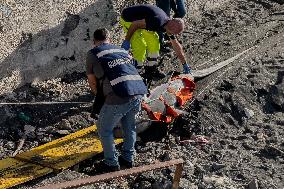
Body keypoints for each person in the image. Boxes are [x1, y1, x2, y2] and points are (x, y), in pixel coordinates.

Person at [86, 28, 148, 172]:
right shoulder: (122, 50)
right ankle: (128, 158)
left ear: (94, 41)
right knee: (129, 126)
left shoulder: (93, 53)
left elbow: (92, 81)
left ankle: (111, 163)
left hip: (119, 96)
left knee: (104, 129)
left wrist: (100, 98)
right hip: (138, 91)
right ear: (109, 39)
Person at [120, 4, 191, 80]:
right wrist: (127, 40)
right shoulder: (158, 21)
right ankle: (136, 73)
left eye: (174, 32)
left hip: (143, 21)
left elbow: (176, 45)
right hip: (128, 19)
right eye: (174, 29)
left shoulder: (168, 24)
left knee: (154, 42)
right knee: (140, 47)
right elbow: (135, 25)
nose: (173, 31)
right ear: (172, 21)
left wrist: (184, 63)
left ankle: (150, 70)